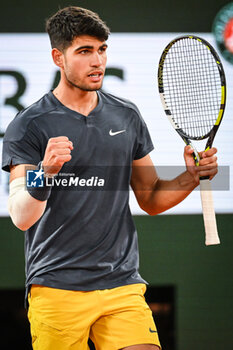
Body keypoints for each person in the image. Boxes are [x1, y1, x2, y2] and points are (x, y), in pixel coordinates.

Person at [2, 6, 218, 350]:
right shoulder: (28, 125)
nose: (97, 61)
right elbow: (21, 216)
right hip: (56, 288)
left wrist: (189, 177)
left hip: (121, 284)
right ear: (58, 57)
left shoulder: (126, 114)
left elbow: (150, 196)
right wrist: (45, 174)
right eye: (84, 51)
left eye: (102, 50)